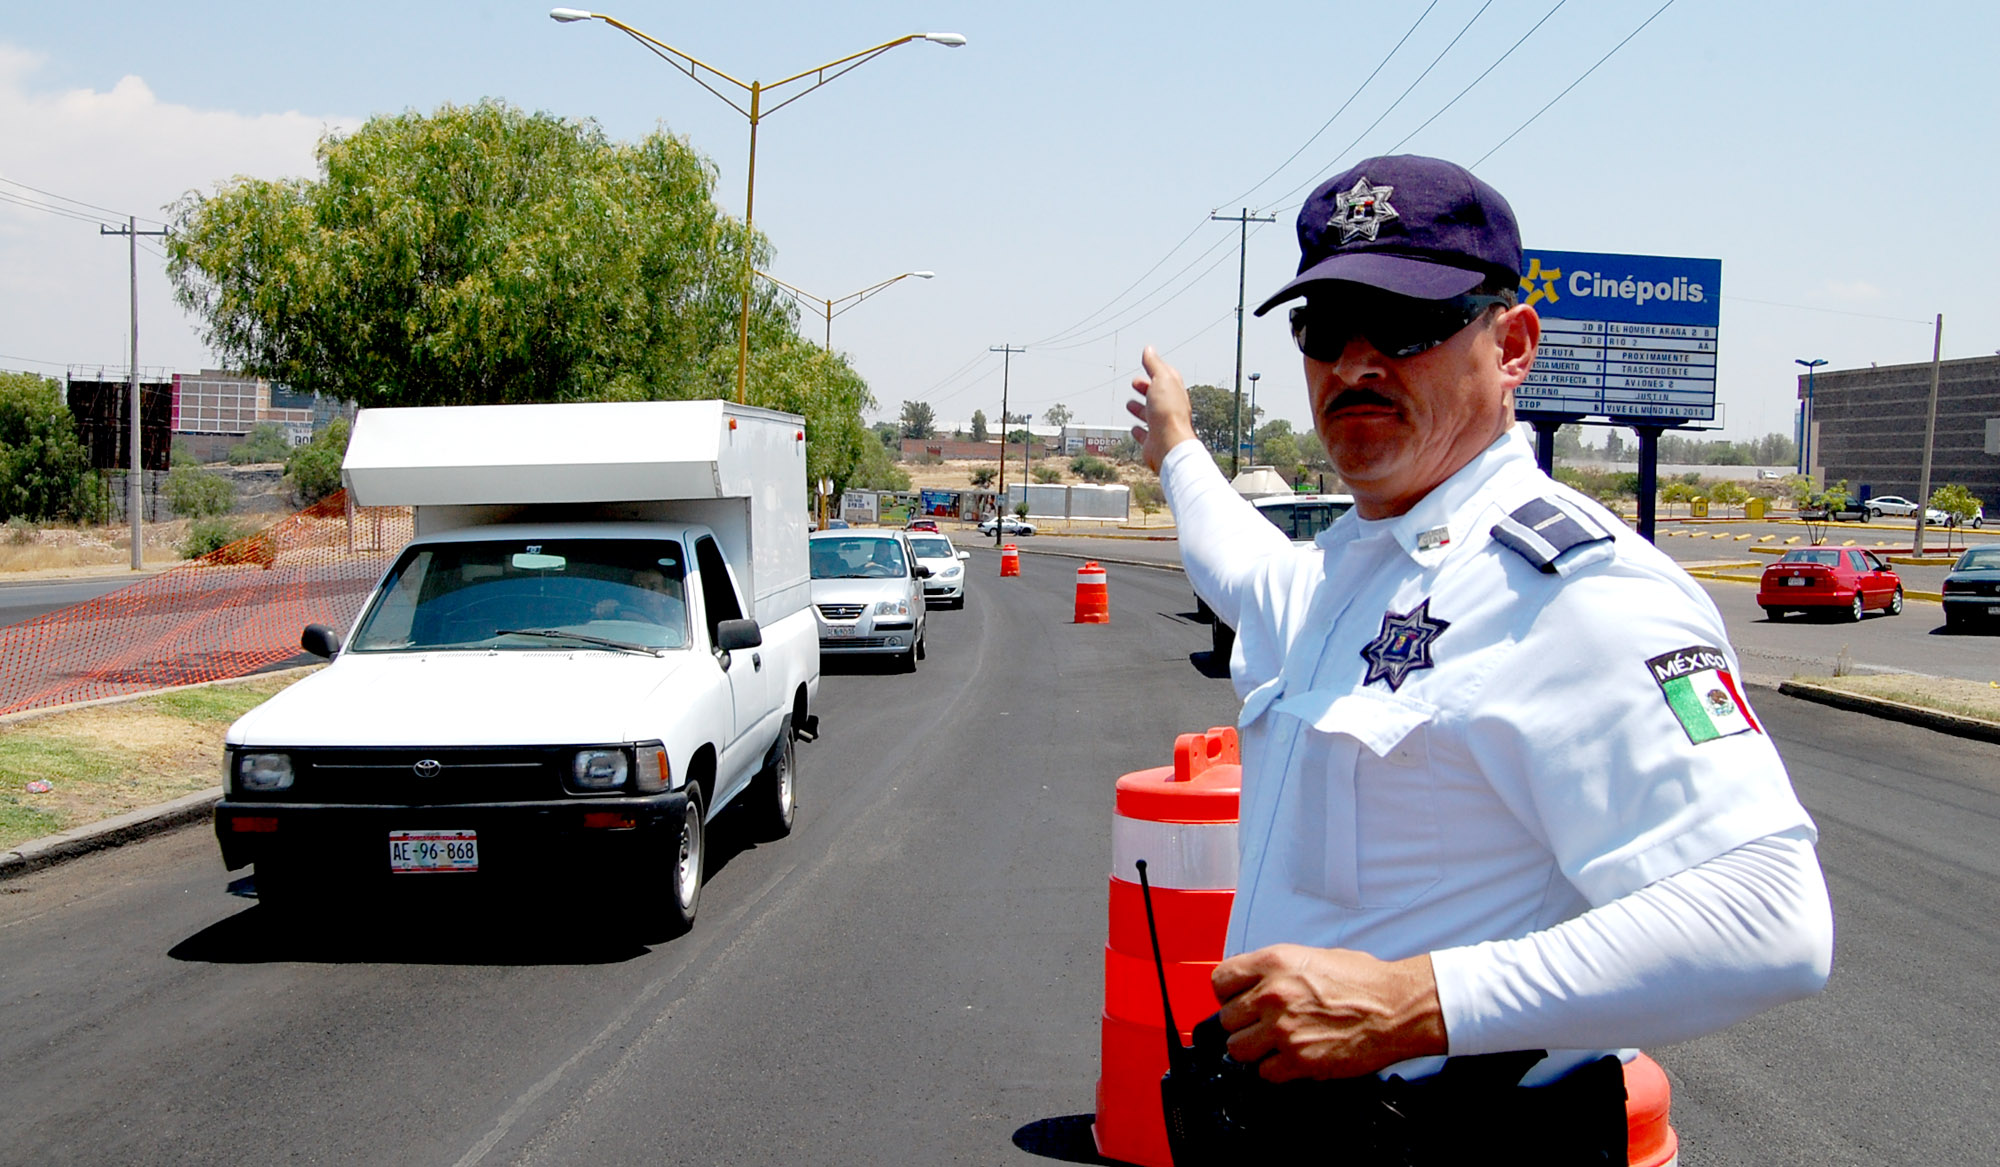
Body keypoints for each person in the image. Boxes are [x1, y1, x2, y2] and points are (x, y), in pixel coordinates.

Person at [1127, 155, 1832, 1157]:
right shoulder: (1342, 575)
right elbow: (1235, 561)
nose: (1357, 362)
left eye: (1405, 324)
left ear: (1511, 347)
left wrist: (1412, 1002)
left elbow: (1769, 917)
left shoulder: (1578, 592)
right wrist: (1177, 448)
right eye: (1324, 329)